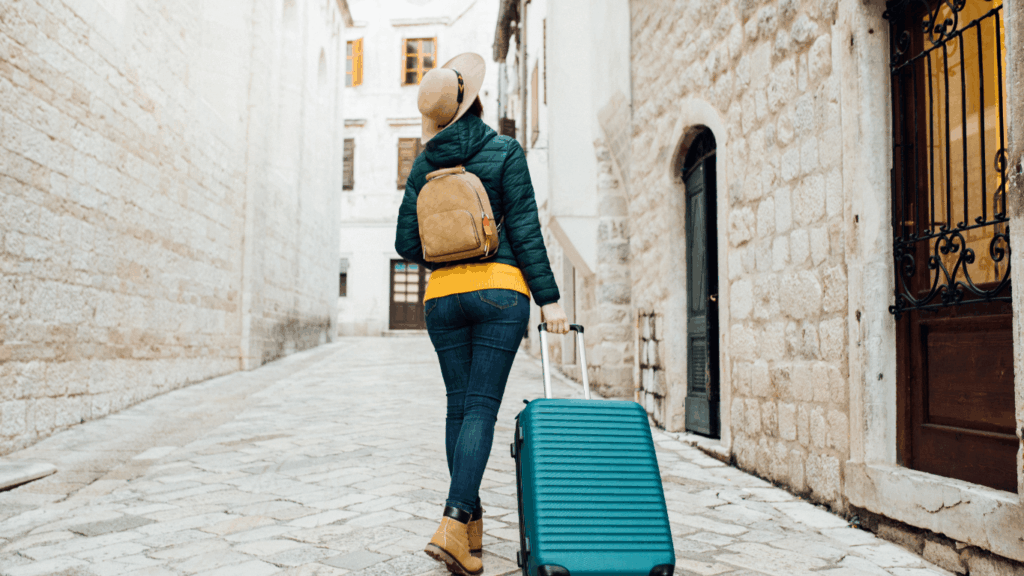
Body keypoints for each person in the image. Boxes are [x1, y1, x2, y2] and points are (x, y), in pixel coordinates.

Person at [394, 52, 569, 576]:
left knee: (458, 407)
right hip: (499, 293)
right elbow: (525, 232)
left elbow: (406, 242)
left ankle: (468, 533)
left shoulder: (424, 166)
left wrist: (447, 247)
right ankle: (453, 520)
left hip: (442, 299)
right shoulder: (505, 151)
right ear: (475, 103)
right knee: (480, 409)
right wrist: (550, 300)